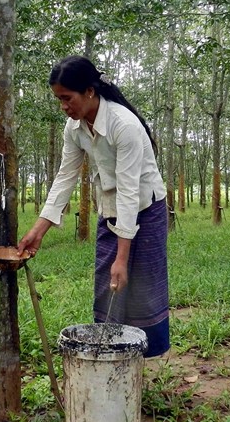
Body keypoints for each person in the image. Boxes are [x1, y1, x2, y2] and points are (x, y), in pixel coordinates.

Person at [18, 55, 169, 358]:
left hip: (146, 207)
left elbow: (129, 191)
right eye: (58, 99)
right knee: (108, 285)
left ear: (89, 91)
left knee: (140, 287)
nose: (63, 106)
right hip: (110, 209)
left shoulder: (122, 124)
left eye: (67, 98)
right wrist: (39, 229)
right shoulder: (73, 129)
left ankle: (139, 364)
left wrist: (122, 258)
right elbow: (65, 178)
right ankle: (110, 358)